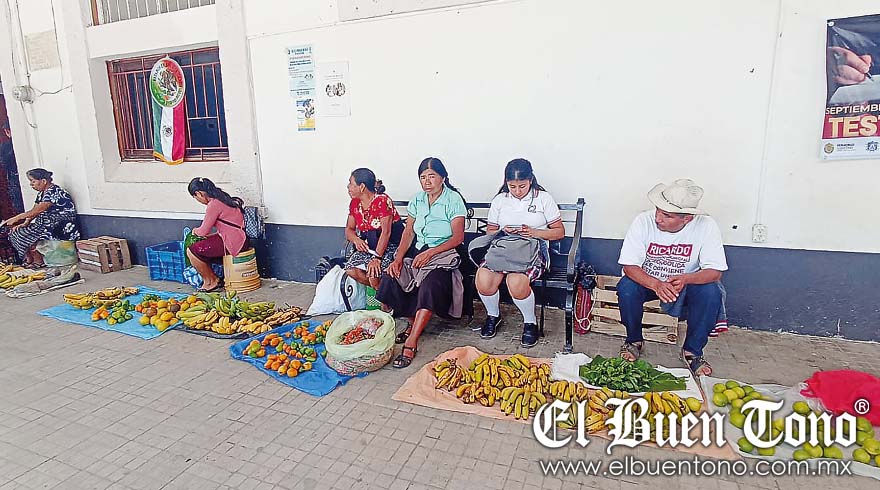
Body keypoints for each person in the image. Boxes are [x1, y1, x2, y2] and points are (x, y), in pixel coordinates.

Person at [616, 179, 727, 377]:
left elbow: (715, 271)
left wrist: (686, 279)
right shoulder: (643, 221)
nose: (658, 218)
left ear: (687, 219)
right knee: (627, 287)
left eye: (667, 215)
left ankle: (692, 351)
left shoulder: (706, 226)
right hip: (649, 280)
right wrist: (656, 284)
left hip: (684, 283)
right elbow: (629, 265)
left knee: (711, 292)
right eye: (658, 210)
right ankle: (634, 340)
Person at [377, 157, 467, 368]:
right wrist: (397, 259)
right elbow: (408, 232)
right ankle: (413, 323)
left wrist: (431, 253)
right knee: (391, 277)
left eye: (432, 176)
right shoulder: (417, 200)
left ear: (443, 177)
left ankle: (412, 341)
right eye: (423, 177)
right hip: (418, 253)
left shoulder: (453, 199)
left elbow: (458, 237)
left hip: (444, 255)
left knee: (429, 285)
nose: (427, 181)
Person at [472, 159, 564, 347]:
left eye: (522, 186)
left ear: (530, 180)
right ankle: (493, 316)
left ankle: (530, 323)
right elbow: (490, 232)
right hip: (504, 248)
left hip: (533, 250)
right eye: (512, 186)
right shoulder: (500, 200)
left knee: (516, 282)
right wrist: (503, 231)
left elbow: (559, 232)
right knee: (483, 280)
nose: (517, 191)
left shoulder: (543, 198)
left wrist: (534, 232)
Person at [2, 168, 80, 267]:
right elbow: (34, 210)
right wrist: (25, 222)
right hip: (45, 223)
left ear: (43, 181)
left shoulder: (54, 192)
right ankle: (30, 259)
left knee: (27, 235)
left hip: (59, 224)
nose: (31, 184)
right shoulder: (42, 193)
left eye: (33, 181)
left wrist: (16, 218)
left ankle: (38, 261)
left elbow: (38, 210)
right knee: (15, 232)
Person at [344, 168, 403, 289]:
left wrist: (377, 258)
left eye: (351, 183)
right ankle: (382, 293)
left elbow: (386, 233)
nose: (348, 187)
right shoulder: (355, 203)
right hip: (370, 246)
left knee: (373, 274)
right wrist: (356, 240)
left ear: (362, 187)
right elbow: (349, 229)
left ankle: (384, 298)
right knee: (351, 270)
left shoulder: (382, 201)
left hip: (390, 246)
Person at [186, 177, 249, 292]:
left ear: (199, 193)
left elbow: (203, 231)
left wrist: (194, 231)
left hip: (233, 242)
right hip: (241, 238)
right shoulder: (222, 198)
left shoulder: (214, 204)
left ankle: (211, 281)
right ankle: (213, 279)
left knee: (192, 251)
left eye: (195, 197)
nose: (198, 200)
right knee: (205, 245)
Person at [0, 122, 24, 217]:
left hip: (13, 175)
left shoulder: (5, 147)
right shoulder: (24, 142)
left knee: (18, 201)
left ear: (7, 131)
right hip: (17, 175)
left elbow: (4, 164)